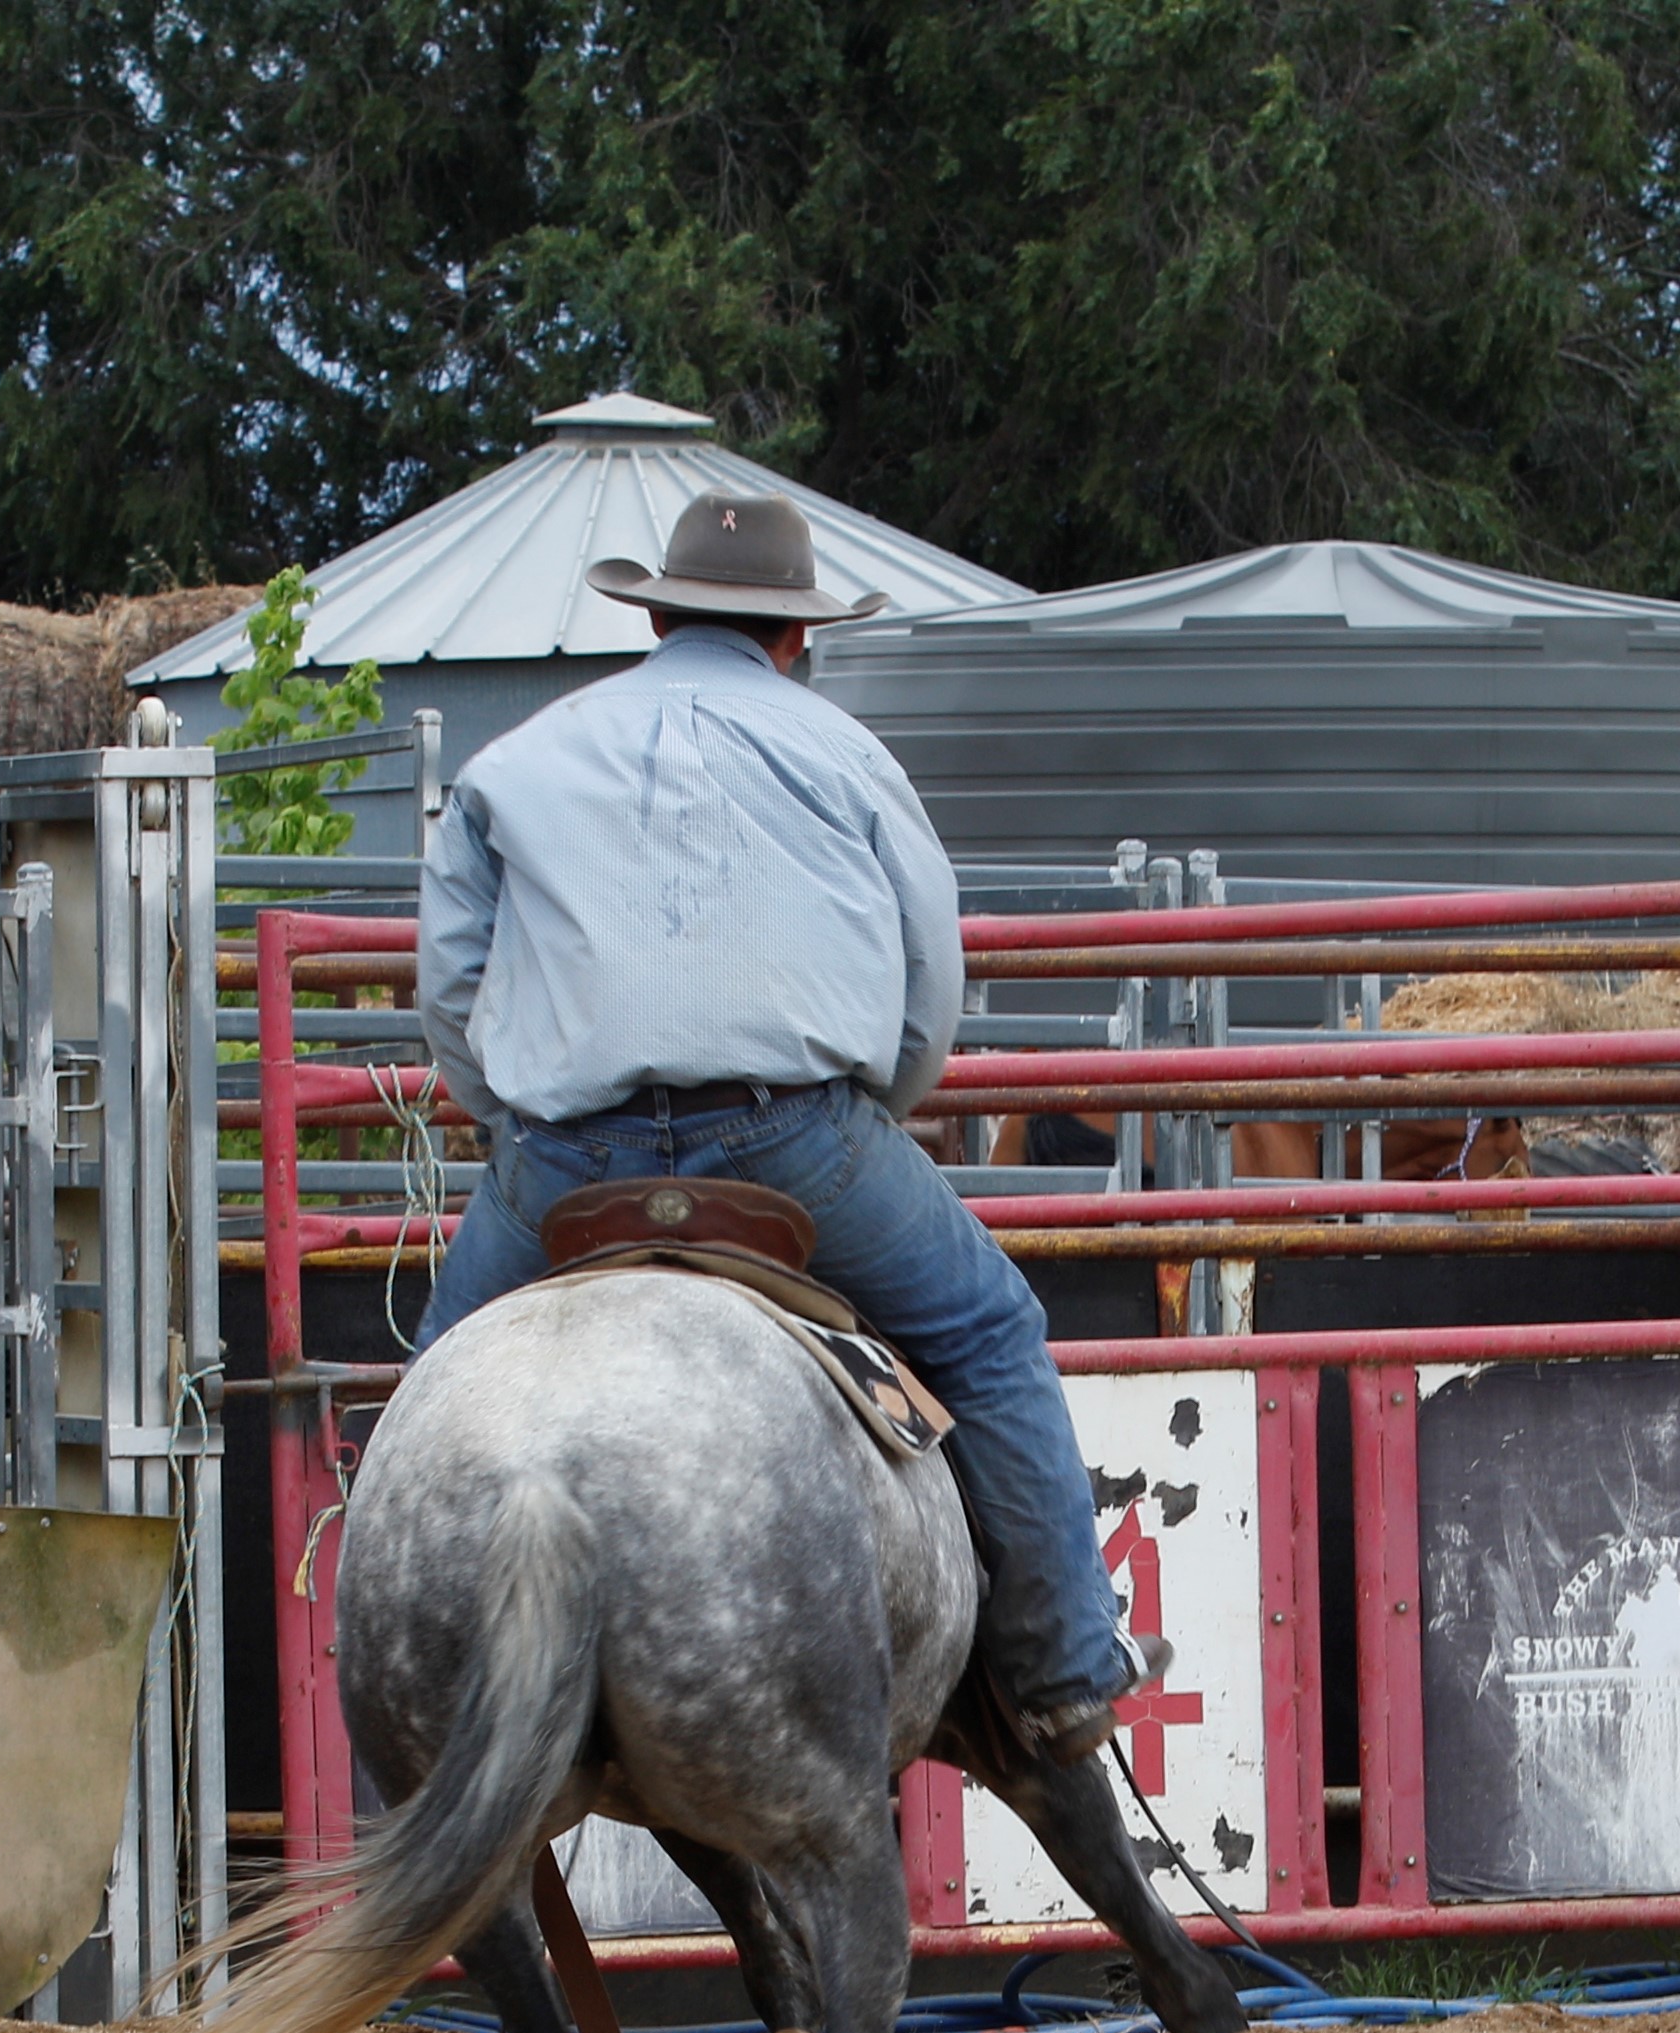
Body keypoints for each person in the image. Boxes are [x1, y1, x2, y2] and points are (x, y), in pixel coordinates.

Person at [414, 488, 1168, 1765]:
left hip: (565, 1162)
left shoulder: (514, 764)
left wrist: (519, 1119)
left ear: (655, 617)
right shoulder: (847, 756)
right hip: (791, 1149)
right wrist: (876, 1110)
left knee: (436, 1394)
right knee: (989, 1333)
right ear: (795, 636)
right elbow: (929, 985)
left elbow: (449, 988)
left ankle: (402, 1716)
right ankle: (1061, 1670)